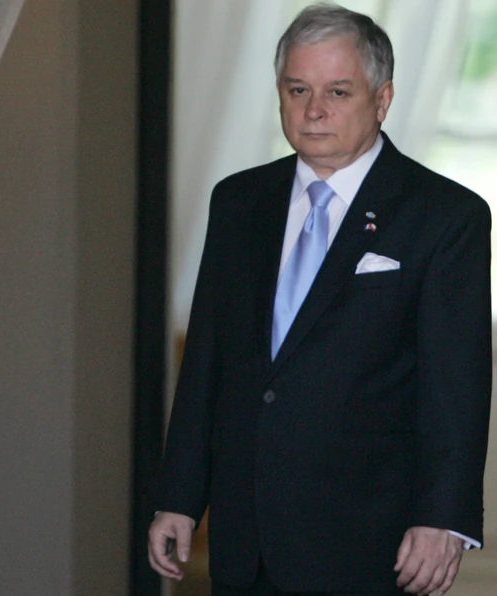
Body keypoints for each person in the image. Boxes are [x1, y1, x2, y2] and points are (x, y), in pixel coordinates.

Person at [148, 4, 492, 596]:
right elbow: (207, 362)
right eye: (298, 89)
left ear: (382, 100)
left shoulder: (446, 217)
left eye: (338, 91)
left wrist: (443, 518)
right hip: (245, 539)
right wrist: (178, 496)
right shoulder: (238, 202)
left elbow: (455, 385)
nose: (313, 110)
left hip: (368, 540)